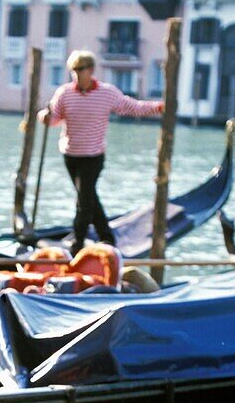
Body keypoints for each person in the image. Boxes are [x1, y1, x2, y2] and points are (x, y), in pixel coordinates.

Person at [38, 50, 163, 256]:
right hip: (71, 155)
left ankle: (77, 242)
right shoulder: (64, 93)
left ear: (91, 70)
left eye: (80, 70)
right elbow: (53, 118)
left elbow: (131, 107)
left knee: (84, 200)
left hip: (94, 156)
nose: (76, 74)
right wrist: (44, 116)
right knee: (88, 197)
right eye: (73, 71)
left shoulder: (107, 93)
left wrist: (158, 107)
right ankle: (107, 236)